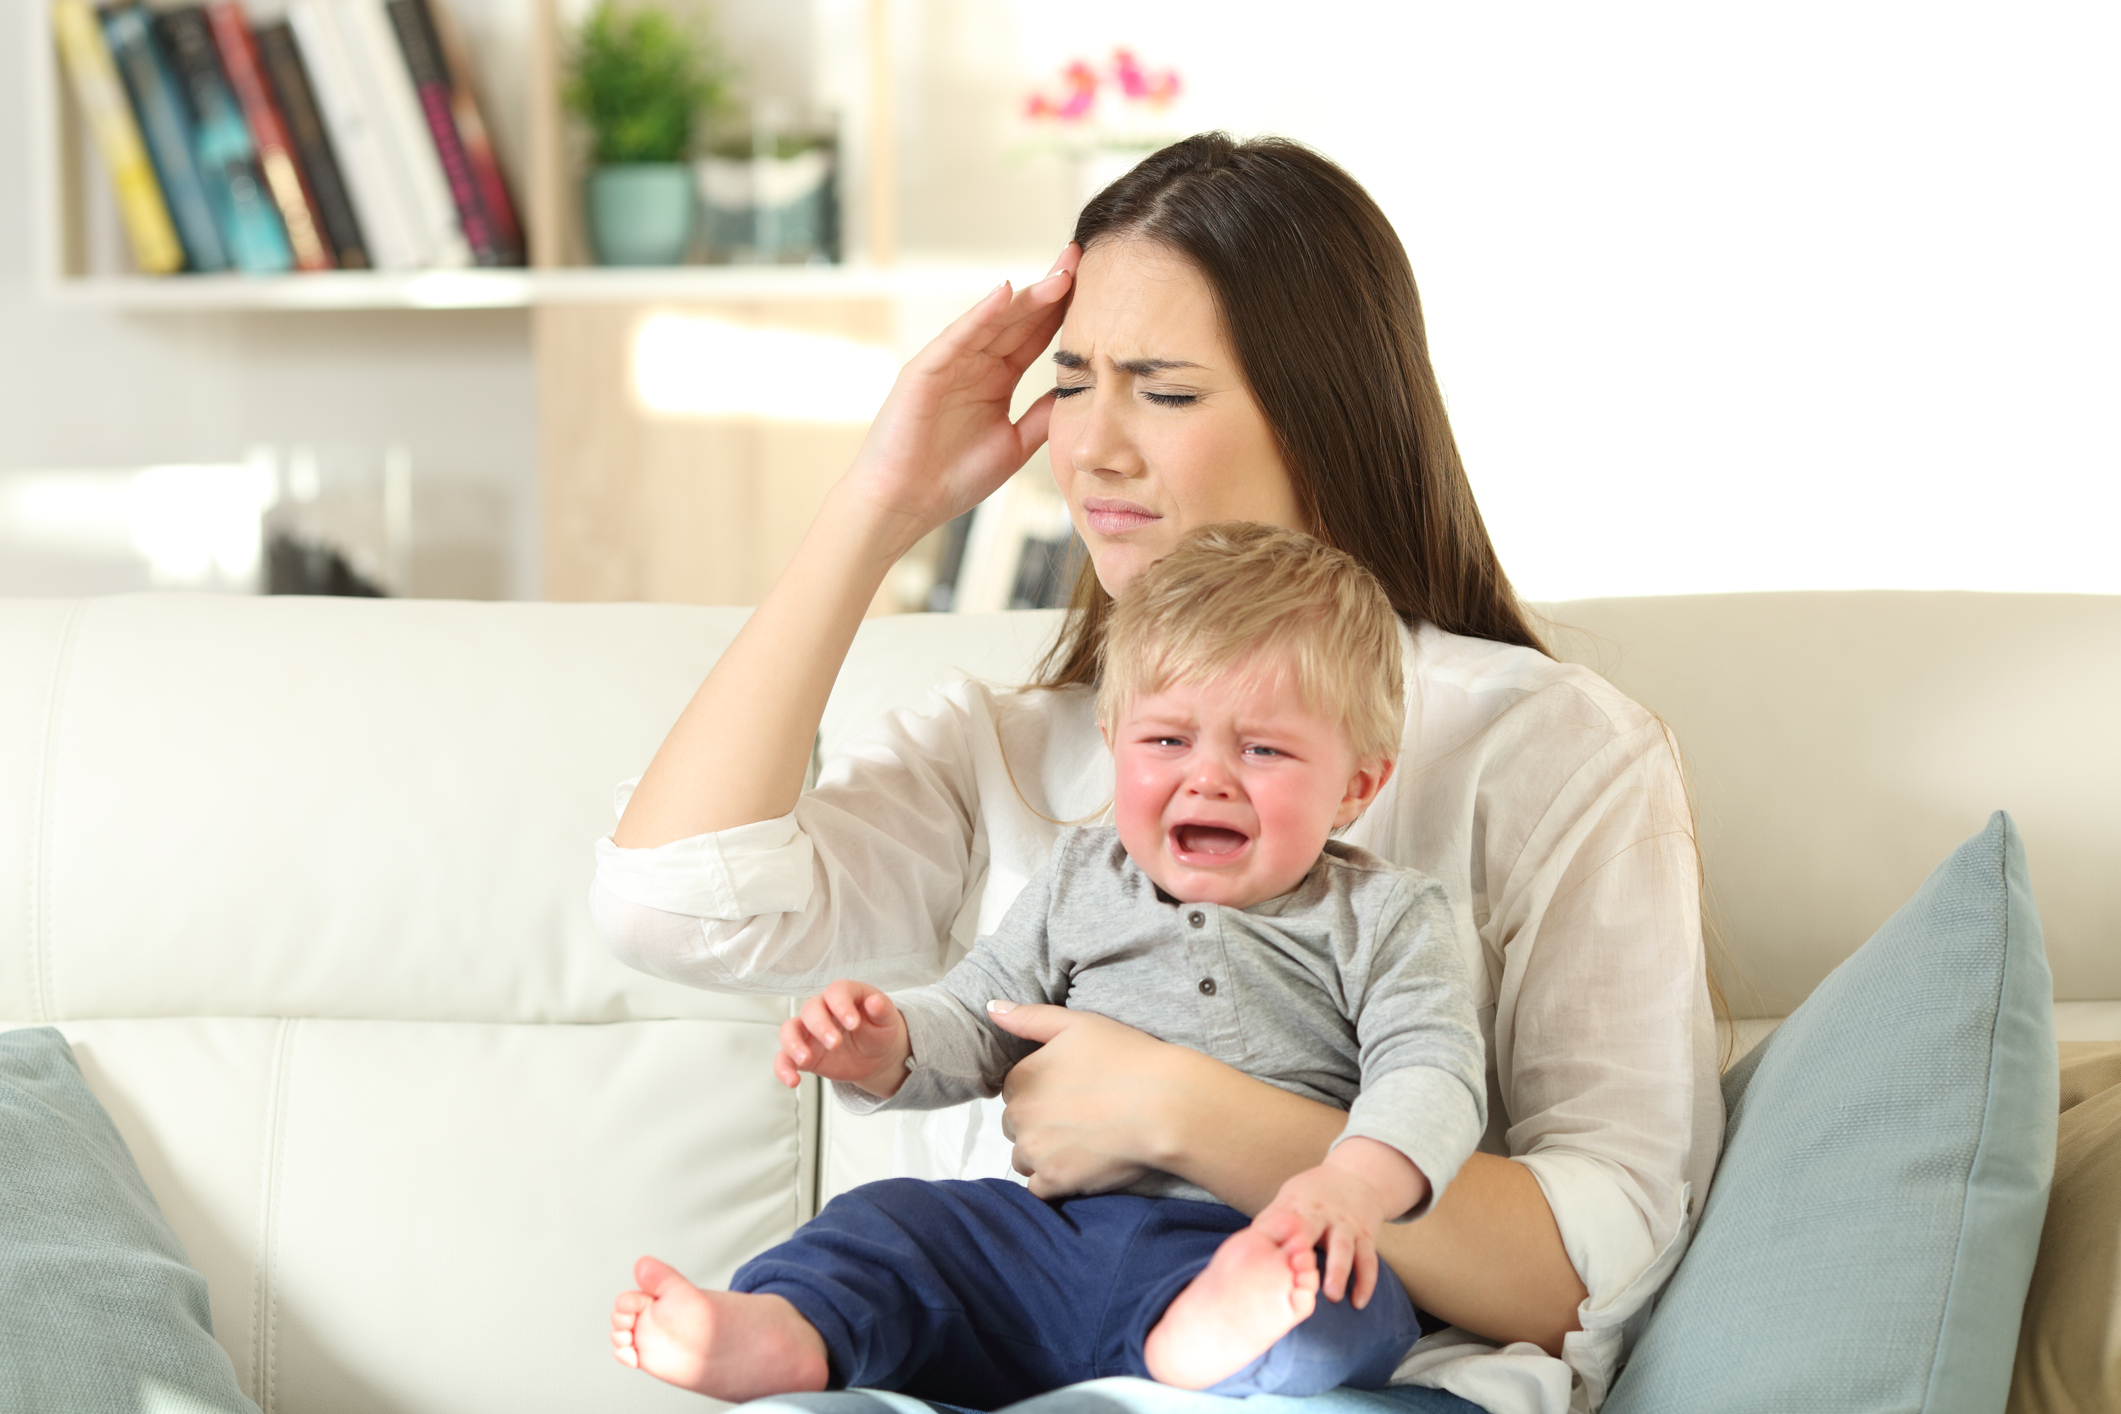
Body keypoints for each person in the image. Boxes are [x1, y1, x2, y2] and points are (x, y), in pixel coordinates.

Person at [594, 132, 1720, 1414]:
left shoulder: (1548, 743)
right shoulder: (1005, 748)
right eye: (1072, 384)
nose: (1094, 449)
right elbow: (668, 906)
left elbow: (1597, 1264)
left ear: (1325, 412)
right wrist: (878, 503)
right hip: (1000, 1352)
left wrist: (1184, 1109)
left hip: (1344, 1377)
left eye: (1165, 393)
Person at [609, 524, 1488, 1406]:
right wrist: (888, 1045)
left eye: (1262, 750)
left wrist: (1351, 1185)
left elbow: (1431, 1072)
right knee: (892, 1224)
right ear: (1112, 739)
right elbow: (982, 1013)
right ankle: (784, 1329)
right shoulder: (1078, 878)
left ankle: (1204, 1341)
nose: (1208, 779)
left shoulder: (1384, 915)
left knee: (1350, 1303)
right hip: (1043, 1240)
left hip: (1243, 1237)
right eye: (1166, 741)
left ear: (1356, 785)